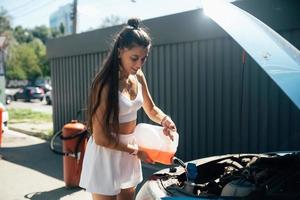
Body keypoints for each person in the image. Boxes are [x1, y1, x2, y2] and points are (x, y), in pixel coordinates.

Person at [79, 18, 177, 200]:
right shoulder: (105, 85)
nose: (139, 64)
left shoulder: (138, 76)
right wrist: (136, 151)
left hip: (129, 151)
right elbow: (100, 138)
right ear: (119, 52)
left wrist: (165, 119)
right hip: (107, 153)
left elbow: (151, 108)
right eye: (134, 58)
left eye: (144, 58)